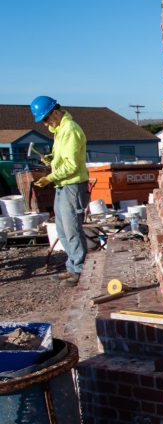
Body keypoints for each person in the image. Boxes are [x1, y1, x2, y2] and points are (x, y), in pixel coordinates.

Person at [30, 96, 89, 285]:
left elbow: (72, 165)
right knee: (62, 230)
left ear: (55, 112)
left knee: (72, 230)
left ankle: (80, 270)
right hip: (63, 186)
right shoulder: (60, 131)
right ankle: (72, 267)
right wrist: (51, 160)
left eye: (46, 119)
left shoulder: (70, 129)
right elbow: (63, 158)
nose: (46, 124)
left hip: (72, 186)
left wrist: (50, 177)